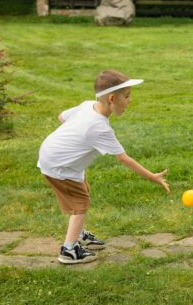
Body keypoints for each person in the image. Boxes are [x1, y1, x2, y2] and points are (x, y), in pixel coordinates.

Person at [38, 70, 170, 264]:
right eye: (126, 97)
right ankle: (69, 250)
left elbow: (61, 117)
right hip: (59, 166)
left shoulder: (87, 106)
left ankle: (79, 234)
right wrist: (153, 176)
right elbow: (124, 159)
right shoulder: (100, 128)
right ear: (111, 98)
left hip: (55, 156)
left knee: (83, 190)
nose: (129, 101)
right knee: (80, 204)